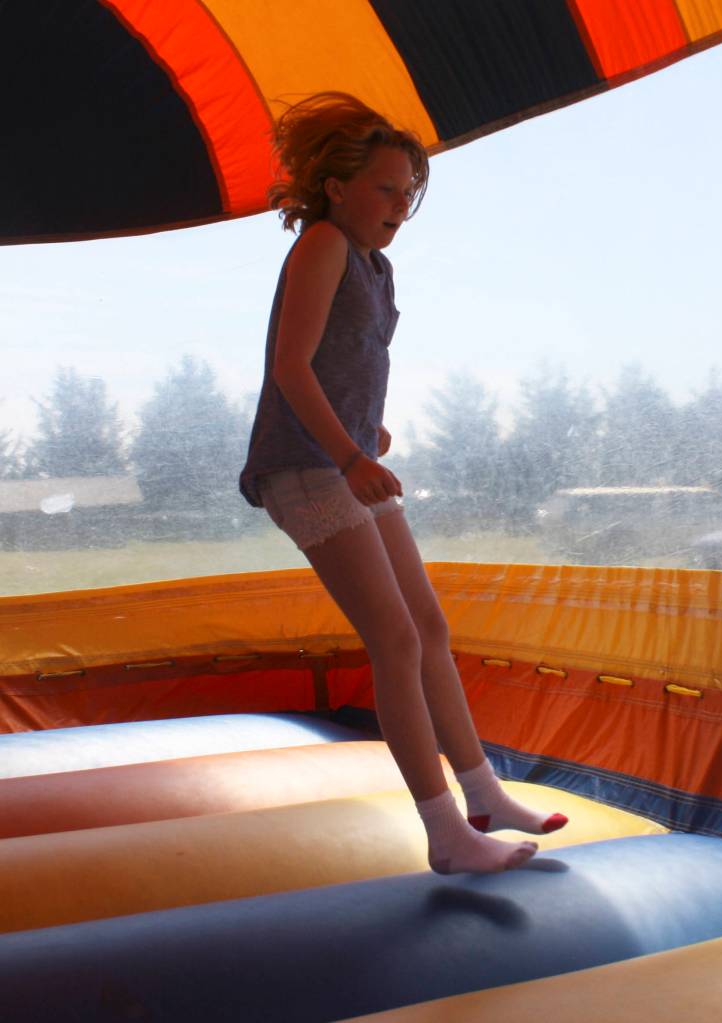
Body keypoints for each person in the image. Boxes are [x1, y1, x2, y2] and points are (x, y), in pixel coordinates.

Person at [240, 92, 567, 874]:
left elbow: (340, 364)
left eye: (408, 193)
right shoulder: (321, 242)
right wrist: (349, 455)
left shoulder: (373, 265)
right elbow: (290, 366)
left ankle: (484, 791)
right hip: (306, 466)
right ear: (337, 188)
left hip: (340, 457)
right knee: (392, 637)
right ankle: (445, 830)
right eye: (386, 189)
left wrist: (365, 434)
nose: (400, 206)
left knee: (429, 628)